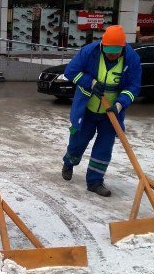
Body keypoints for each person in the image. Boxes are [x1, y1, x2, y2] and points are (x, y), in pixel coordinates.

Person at [61, 25, 142, 196]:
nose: (112, 55)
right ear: (102, 46)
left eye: (115, 52)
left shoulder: (132, 59)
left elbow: (133, 86)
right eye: (108, 51)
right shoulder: (89, 52)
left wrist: (120, 104)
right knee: (78, 143)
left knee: (104, 148)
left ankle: (95, 182)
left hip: (111, 113)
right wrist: (90, 83)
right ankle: (69, 162)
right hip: (86, 110)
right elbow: (70, 71)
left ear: (123, 48)